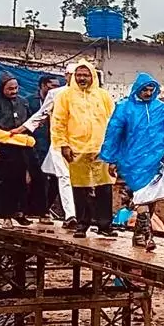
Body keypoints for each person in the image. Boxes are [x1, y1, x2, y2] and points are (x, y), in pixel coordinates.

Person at [99, 72, 164, 251]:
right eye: (145, 89)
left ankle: (139, 235)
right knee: (141, 199)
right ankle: (148, 237)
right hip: (132, 162)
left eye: (151, 90)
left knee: (151, 201)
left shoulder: (162, 109)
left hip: (156, 162)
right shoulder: (124, 108)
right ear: (137, 89)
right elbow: (113, 133)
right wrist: (111, 159)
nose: (148, 93)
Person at [50, 59, 117, 239]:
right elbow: (58, 122)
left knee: (104, 187)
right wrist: (63, 144)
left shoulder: (103, 96)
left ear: (92, 76)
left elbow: (113, 122)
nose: (82, 78)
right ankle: (82, 224)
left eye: (85, 75)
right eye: (79, 75)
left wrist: (112, 147)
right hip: (76, 149)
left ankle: (105, 225)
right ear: (73, 77)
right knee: (80, 189)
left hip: (101, 149)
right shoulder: (65, 96)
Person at [16, 64, 78, 227]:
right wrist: (21, 129)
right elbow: (40, 115)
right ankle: (70, 216)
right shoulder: (56, 94)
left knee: (76, 181)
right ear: (67, 76)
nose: (79, 78)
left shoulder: (94, 96)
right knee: (62, 178)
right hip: (57, 142)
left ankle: (78, 216)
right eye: (75, 74)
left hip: (82, 144)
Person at [0, 73, 34, 226]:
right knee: (2, 182)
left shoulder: (23, 103)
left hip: (19, 146)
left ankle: (20, 212)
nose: (14, 91)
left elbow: (29, 123)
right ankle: (5, 216)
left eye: (16, 88)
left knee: (21, 181)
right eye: (10, 88)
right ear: (2, 88)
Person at [25, 74, 61, 222]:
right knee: (36, 179)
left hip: (54, 145)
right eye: (53, 86)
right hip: (34, 146)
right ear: (44, 86)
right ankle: (33, 209)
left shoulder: (61, 102)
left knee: (56, 180)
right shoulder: (29, 102)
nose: (57, 89)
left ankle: (45, 209)